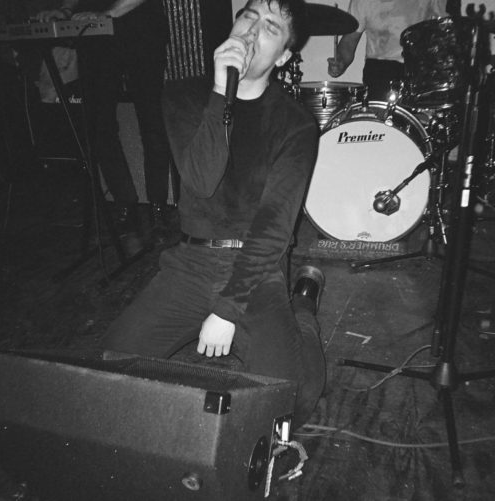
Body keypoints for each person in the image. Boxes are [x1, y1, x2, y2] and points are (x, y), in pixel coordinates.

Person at [100, 0, 327, 428]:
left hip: (256, 270)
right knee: (107, 367)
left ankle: (304, 313)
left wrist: (226, 310)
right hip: (189, 263)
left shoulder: (295, 123)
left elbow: (274, 226)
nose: (252, 31)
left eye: (270, 27)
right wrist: (222, 91)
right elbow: (201, 181)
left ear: (283, 57)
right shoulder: (183, 95)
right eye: (248, 16)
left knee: (291, 406)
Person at [36, 0, 172, 242]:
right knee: (100, 126)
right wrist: (66, 10)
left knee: (152, 123)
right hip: (96, 34)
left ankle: (158, 208)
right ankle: (125, 204)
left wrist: (108, 13)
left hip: (139, 27)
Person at [327, 0, 447, 101]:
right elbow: (349, 41)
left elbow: (447, 29)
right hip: (380, 72)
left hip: (418, 70)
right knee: (379, 120)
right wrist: (340, 62)